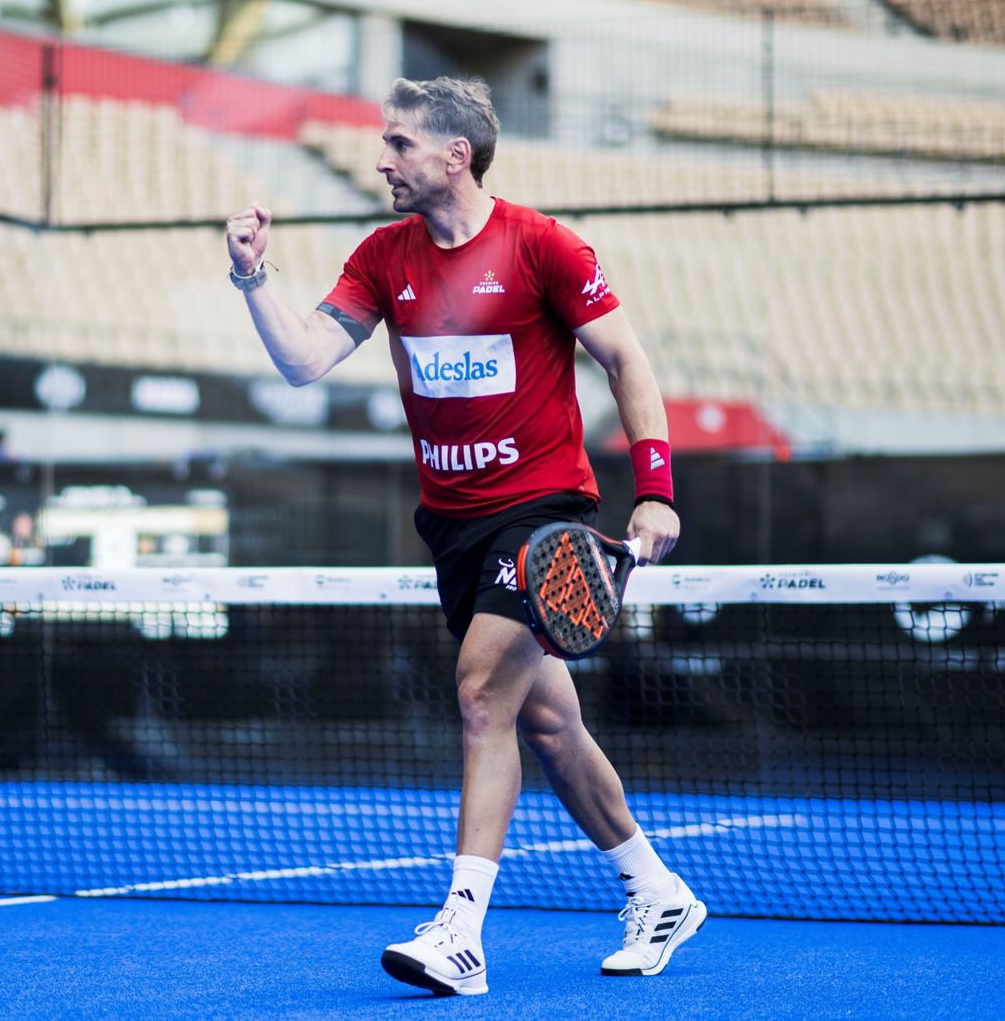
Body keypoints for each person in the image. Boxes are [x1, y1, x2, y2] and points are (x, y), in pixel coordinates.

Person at [225, 76, 699, 996]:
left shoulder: (543, 246)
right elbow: (302, 362)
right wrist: (252, 278)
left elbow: (625, 359)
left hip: (546, 513)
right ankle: (659, 889)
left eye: (398, 144)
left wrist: (656, 490)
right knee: (552, 725)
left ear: (454, 156)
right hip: (453, 525)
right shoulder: (382, 257)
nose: (381, 159)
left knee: (483, 696)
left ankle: (462, 932)